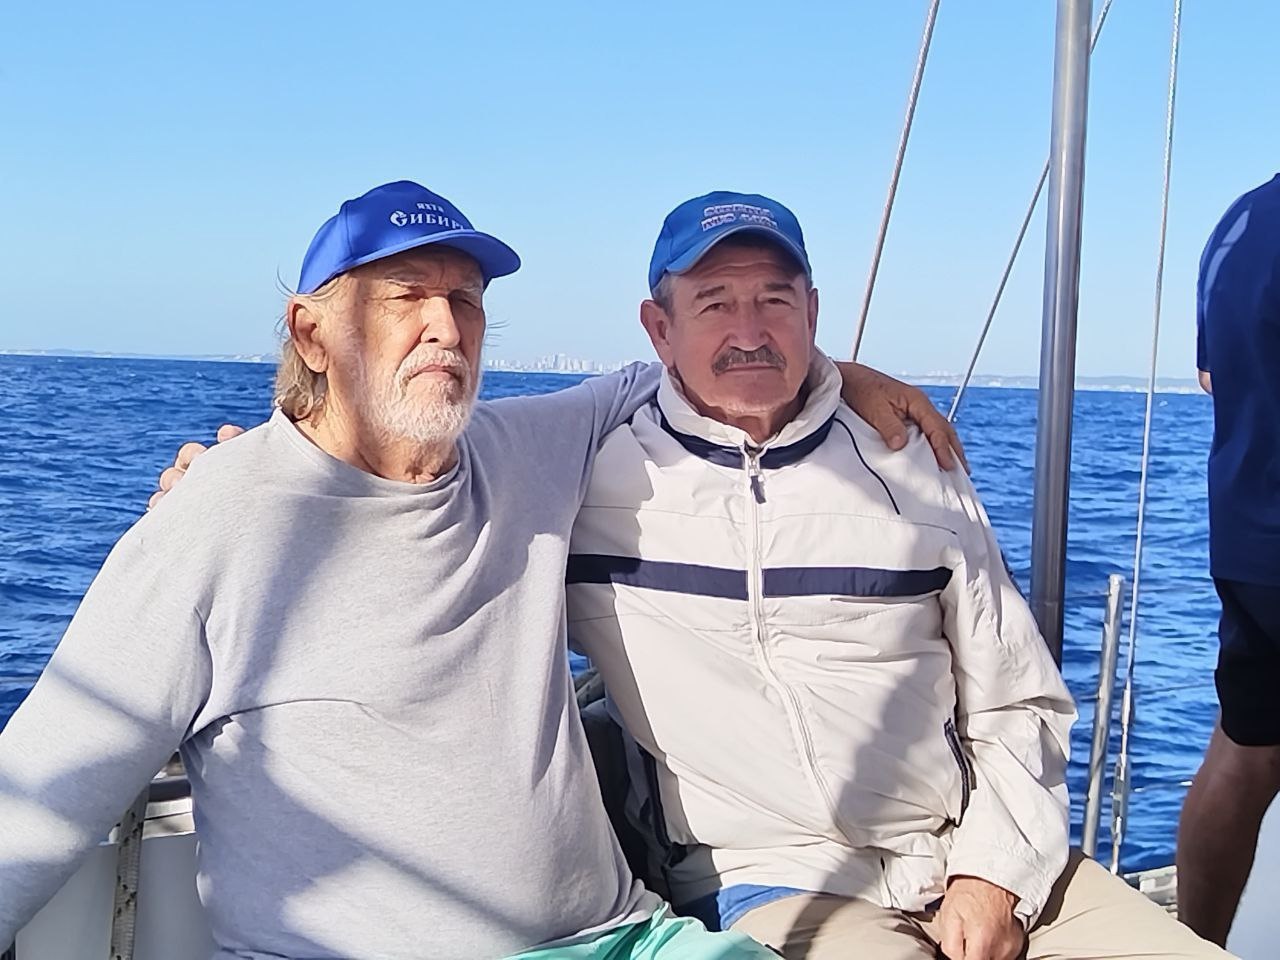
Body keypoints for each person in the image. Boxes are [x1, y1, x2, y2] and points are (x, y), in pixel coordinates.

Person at [0, 180, 955, 960]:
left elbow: (666, 374)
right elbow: (46, 783)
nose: (447, 328)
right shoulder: (214, 522)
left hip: (617, 938)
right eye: (405, 297)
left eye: (465, 300)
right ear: (311, 334)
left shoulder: (523, 448)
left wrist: (840, 374)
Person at [564, 191, 1235, 960]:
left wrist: (993, 874)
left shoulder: (909, 458)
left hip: (972, 847)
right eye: (714, 304)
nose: (749, 333)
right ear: (659, 328)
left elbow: (1017, 694)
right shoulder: (590, 483)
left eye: (774, 301)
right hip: (772, 878)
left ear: (812, 313)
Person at [1178, 173, 1280, 947]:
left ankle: (1195, 945)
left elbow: (1212, 375)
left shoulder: (1241, 221)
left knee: (1246, 751)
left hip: (1250, 543)